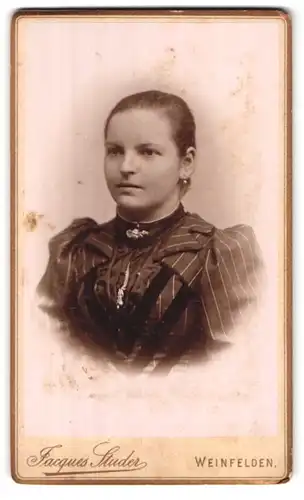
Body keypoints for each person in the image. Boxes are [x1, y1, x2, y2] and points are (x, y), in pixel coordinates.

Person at [37, 89, 263, 376]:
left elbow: (239, 368)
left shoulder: (220, 254)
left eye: (148, 152)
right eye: (115, 151)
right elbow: (41, 355)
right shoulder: (74, 251)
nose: (126, 167)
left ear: (186, 163)